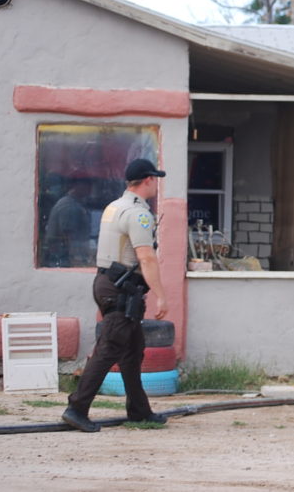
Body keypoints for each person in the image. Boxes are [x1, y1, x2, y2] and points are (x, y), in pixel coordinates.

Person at [62, 158, 171, 433]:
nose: (156, 185)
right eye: (155, 180)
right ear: (148, 180)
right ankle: (77, 408)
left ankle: (139, 411)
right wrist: (161, 295)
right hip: (121, 289)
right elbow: (146, 257)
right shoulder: (138, 214)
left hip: (109, 283)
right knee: (109, 348)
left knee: (132, 351)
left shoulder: (114, 206)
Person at [44, 174, 93, 267]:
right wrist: (76, 259)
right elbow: (68, 236)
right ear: (77, 186)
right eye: (87, 185)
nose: (90, 188)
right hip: (62, 259)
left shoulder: (75, 203)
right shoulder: (69, 206)